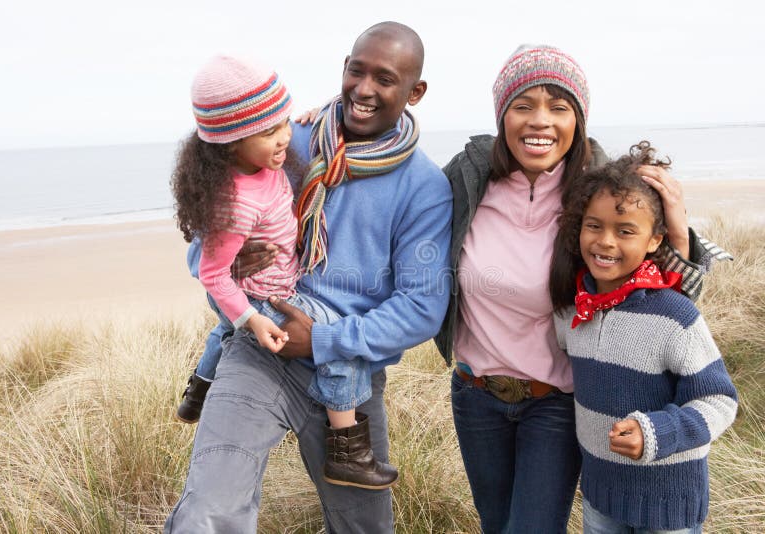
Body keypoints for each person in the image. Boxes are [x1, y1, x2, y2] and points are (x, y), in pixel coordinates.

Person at [165, 21, 452, 533]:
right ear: (343, 68)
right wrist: (230, 263)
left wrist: (320, 340)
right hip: (258, 353)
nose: (364, 89)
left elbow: (421, 308)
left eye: (385, 79)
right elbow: (205, 246)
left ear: (416, 92)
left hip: (347, 371)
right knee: (211, 510)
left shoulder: (425, 186)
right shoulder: (285, 137)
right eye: (356, 71)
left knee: (364, 527)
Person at [434, 45, 725, 533]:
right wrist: (332, 126)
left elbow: (660, 298)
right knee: (496, 525)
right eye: (523, 106)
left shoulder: (596, 189)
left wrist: (677, 229)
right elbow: (396, 190)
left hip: (553, 400)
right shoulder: (468, 178)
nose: (540, 122)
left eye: (558, 107)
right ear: (503, 115)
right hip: (474, 394)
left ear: (579, 120)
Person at [170, 55, 399, 490]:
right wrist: (253, 319)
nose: (285, 138)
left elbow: (287, 123)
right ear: (230, 141)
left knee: (223, 332)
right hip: (263, 298)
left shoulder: (264, 163)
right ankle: (347, 448)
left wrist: (327, 108)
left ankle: (199, 387)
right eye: (269, 131)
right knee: (338, 338)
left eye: (283, 123)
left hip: (265, 286)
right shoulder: (235, 203)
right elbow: (214, 274)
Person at [550, 141, 738, 533]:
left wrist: (659, 432)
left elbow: (720, 400)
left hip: (668, 502)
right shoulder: (572, 312)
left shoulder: (674, 315)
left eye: (625, 231)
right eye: (594, 225)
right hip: (601, 498)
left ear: (654, 240)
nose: (606, 241)